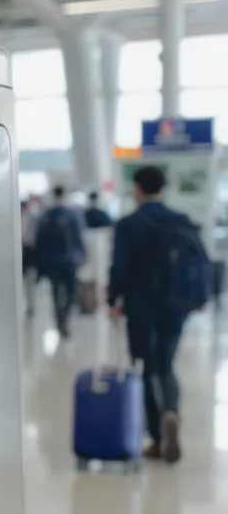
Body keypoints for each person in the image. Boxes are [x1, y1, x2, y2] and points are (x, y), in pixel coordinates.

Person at [109, 166, 197, 464]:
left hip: (140, 307)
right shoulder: (181, 221)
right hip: (175, 307)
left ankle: (158, 439)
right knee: (166, 366)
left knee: (145, 368)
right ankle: (171, 411)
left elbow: (119, 268)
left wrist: (112, 299)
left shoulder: (128, 224)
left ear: (137, 188)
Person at [35, 186, 86, 338]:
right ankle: (64, 318)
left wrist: (41, 262)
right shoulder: (72, 215)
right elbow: (79, 238)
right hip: (69, 261)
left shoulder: (46, 215)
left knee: (56, 292)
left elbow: (39, 240)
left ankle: (60, 320)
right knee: (71, 292)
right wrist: (81, 257)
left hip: (51, 261)